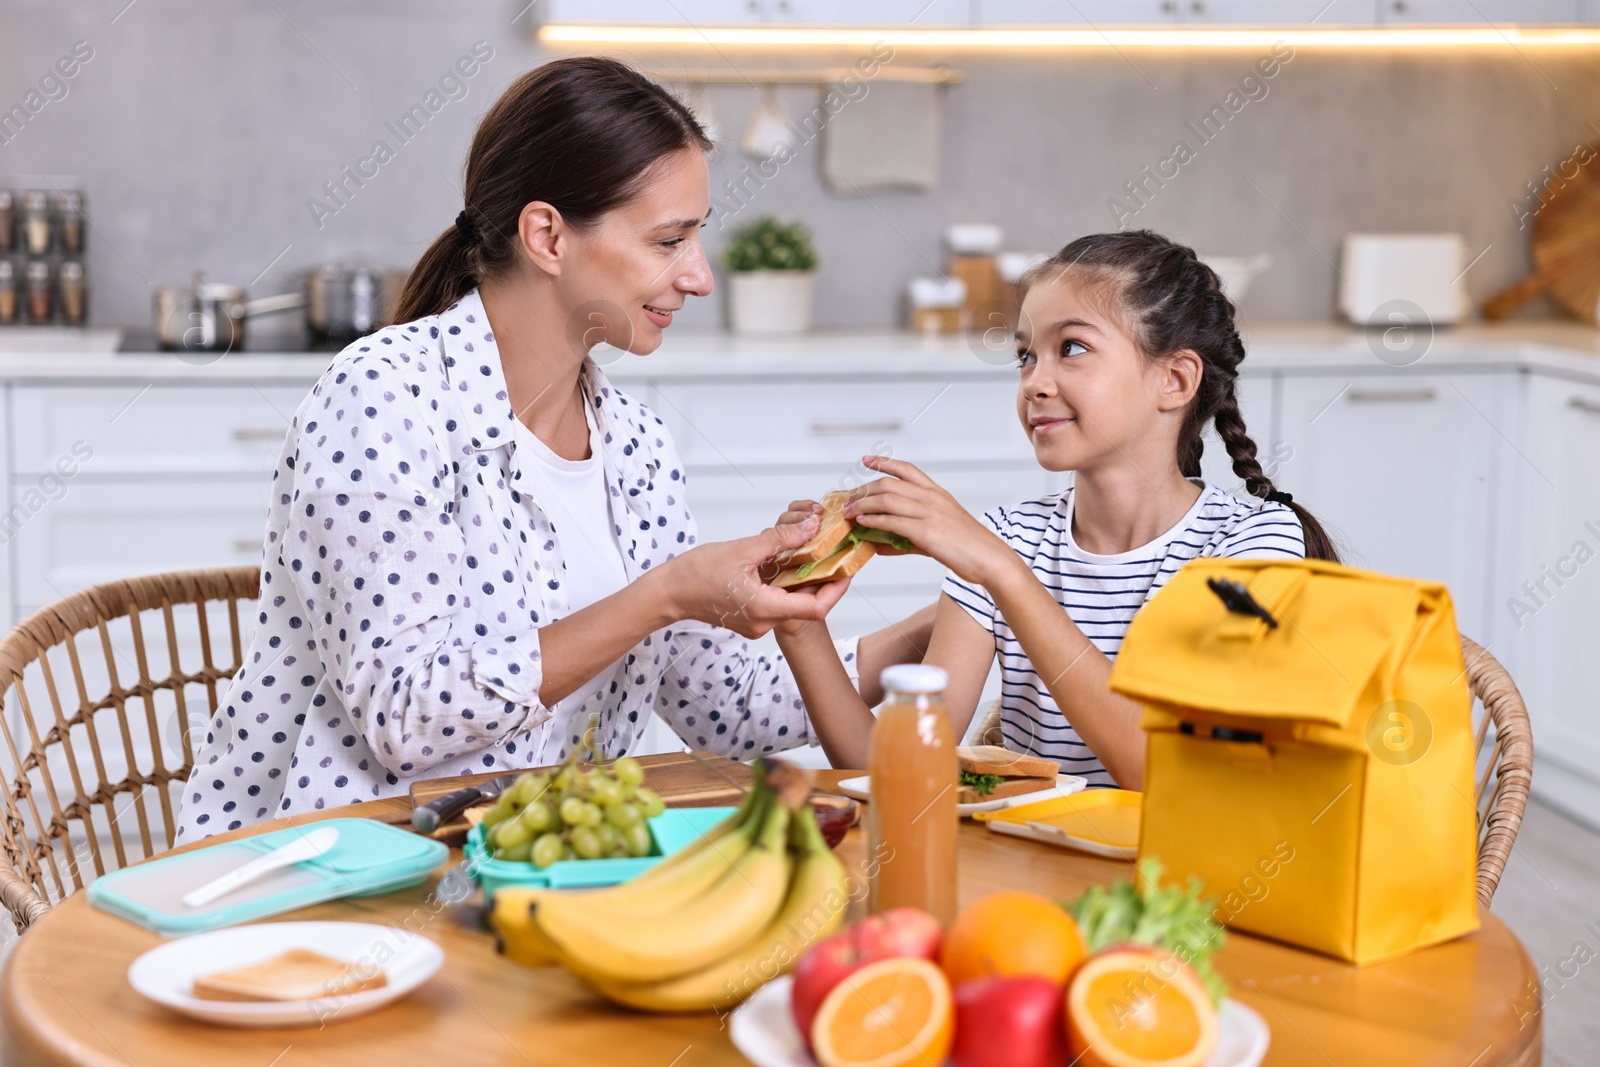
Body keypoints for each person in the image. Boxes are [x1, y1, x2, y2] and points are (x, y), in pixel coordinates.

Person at [175, 57, 932, 840]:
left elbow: (727, 713)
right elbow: (408, 719)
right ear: (546, 236)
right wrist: (664, 594)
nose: (700, 276)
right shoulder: (384, 399)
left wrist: (933, 622)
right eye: (669, 240)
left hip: (532, 878)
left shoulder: (634, 442)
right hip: (316, 883)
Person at [775, 231, 1339, 789]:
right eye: (1025, 356)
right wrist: (801, 627)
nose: (1034, 383)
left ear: (1174, 379)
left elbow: (1156, 769)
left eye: (1071, 348)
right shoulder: (1009, 539)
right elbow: (900, 777)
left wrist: (1002, 573)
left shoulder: (1252, 544)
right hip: (1032, 868)